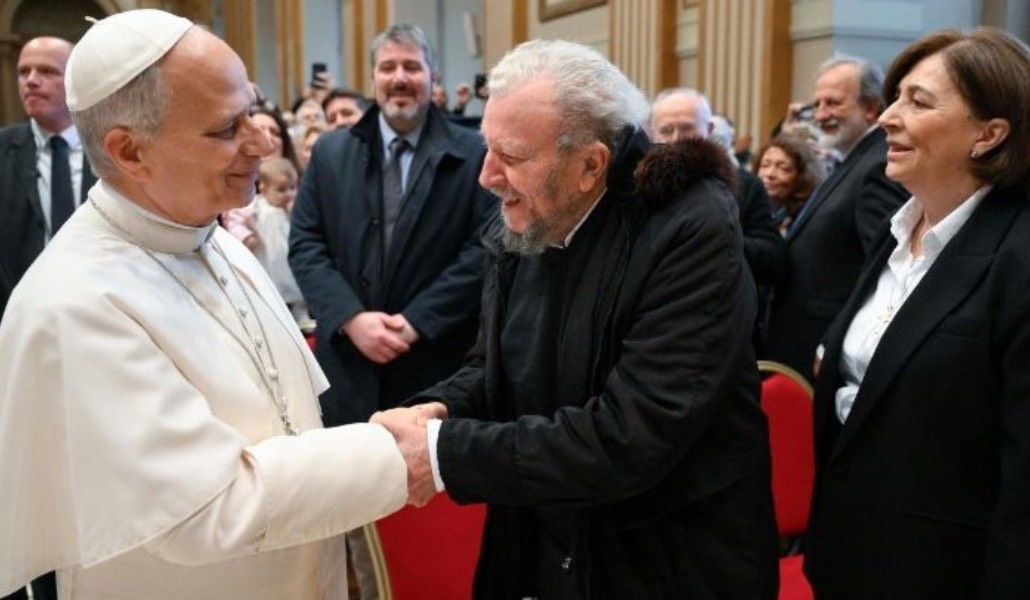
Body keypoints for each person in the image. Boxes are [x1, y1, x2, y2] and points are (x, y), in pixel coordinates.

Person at [0, 10, 408, 599]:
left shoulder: (206, 232)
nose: (264, 141)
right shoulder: (76, 302)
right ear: (129, 151)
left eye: (253, 109)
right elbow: (206, 507)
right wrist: (398, 456)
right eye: (226, 129)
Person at [373, 39, 778, 599]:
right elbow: (494, 365)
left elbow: (631, 435)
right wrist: (434, 409)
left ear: (591, 164)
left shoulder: (689, 227)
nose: (486, 176)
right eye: (487, 149)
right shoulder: (531, 213)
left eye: (510, 156)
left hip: (665, 564)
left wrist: (444, 452)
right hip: (547, 545)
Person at [804, 28, 1030, 599]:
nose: (887, 117)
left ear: (989, 134)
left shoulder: (1019, 255)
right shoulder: (900, 229)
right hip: (850, 554)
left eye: (919, 101)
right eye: (896, 95)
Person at [290, 24, 495, 427]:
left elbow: (483, 250)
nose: (399, 78)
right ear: (373, 80)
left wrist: (417, 321)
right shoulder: (331, 153)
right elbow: (306, 243)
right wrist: (351, 318)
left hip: (435, 361)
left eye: (411, 67)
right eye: (387, 67)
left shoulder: (473, 153)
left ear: (432, 77)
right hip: (348, 363)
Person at [764, 54, 907, 382]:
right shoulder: (852, 159)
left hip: (824, 349)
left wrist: (833, 341)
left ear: (871, 108)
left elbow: (885, 266)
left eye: (834, 103)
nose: (822, 114)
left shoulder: (878, 167)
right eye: (817, 104)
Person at [650, 88, 786, 289]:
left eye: (687, 128)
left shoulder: (745, 185)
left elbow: (773, 258)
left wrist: (716, 240)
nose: (676, 139)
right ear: (652, 134)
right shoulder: (636, 187)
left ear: (709, 130)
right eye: (666, 130)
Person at [0, 36, 95, 322]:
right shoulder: (4, 149)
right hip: (17, 320)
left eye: (47, 71)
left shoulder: (113, 150)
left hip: (99, 315)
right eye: (23, 71)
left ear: (77, 81)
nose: (31, 80)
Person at [223, 157, 311, 325]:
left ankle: (302, 316)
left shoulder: (294, 208)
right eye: (281, 189)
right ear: (263, 188)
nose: (289, 194)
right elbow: (234, 219)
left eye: (293, 188)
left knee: (297, 289)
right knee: (271, 294)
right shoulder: (255, 207)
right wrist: (245, 236)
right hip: (267, 259)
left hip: (289, 259)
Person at [755, 132, 826, 235]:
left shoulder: (811, 218)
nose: (770, 174)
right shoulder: (751, 211)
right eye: (765, 165)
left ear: (801, 176)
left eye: (783, 168)